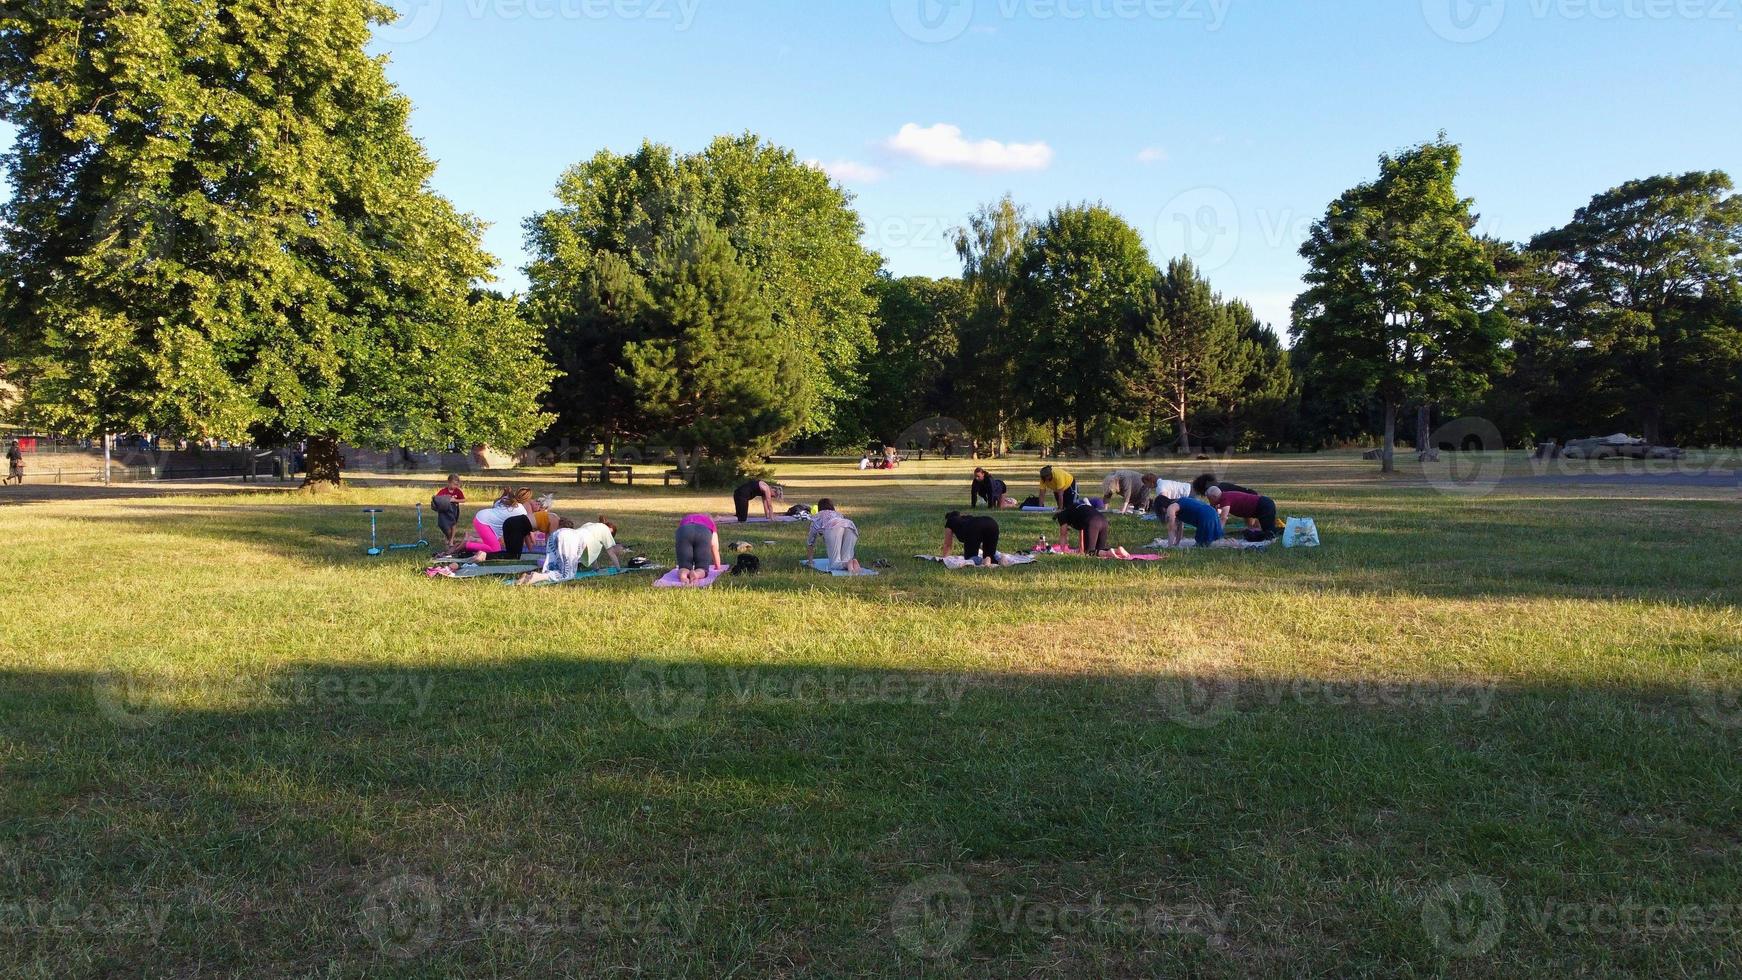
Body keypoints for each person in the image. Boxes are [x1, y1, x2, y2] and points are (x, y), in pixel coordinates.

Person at [514, 517, 624, 586]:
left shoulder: (591, 526)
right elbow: (611, 552)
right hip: (569, 539)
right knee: (567, 575)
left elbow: (591, 553)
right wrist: (619, 569)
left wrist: (596, 569)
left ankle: (527, 576)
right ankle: (537, 576)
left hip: (559, 534)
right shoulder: (604, 530)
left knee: (555, 567)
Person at [460, 487, 533, 561]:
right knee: (495, 550)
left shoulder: (506, 499)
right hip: (483, 522)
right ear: (527, 500)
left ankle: (471, 543)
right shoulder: (521, 511)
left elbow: (495, 504)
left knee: (494, 545)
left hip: (482, 517)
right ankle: (468, 545)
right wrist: (531, 550)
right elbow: (526, 533)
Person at [1206, 485, 1282, 541]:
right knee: (1266, 531)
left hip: (1264, 506)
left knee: (1269, 534)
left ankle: (1286, 532)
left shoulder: (1225, 499)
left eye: (1209, 499)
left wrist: (1216, 533)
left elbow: (1223, 518)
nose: (1209, 501)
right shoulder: (1224, 497)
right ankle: (1282, 531)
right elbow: (1219, 513)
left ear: (1214, 497)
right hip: (1263, 505)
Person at [805, 499, 862, 574]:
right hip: (850, 525)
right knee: (846, 558)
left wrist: (810, 561)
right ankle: (852, 562)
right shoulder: (838, 514)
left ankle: (848, 563)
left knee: (835, 564)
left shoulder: (817, 517)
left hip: (833, 526)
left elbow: (810, 542)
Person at [1054, 503, 1128, 559]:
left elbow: (1063, 535)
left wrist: (1063, 551)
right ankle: (1117, 550)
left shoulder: (1062, 515)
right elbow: (1082, 531)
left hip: (1092, 522)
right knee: (1099, 550)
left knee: (1089, 553)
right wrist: (1081, 549)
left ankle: (1109, 552)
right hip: (1103, 520)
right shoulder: (1075, 509)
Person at [1155, 493, 1227, 549]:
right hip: (1212, 513)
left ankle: (1230, 543)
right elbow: (1180, 528)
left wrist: (1169, 546)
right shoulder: (1177, 504)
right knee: (1211, 540)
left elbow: (1172, 529)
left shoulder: (1171, 508)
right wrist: (1177, 543)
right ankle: (1229, 542)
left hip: (1206, 517)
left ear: (1162, 508)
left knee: (1203, 545)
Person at [674, 513, 724, 586]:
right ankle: (696, 574)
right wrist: (717, 566)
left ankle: (683, 575)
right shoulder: (710, 523)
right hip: (703, 532)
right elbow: (714, 546)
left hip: (683, 531)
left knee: (684, 566)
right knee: (702, 567)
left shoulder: (687, 518)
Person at [431, 474, 466, 550]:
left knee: (453, 524)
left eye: (457, 484)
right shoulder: (443, 491)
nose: (455, 486)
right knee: (444, 525)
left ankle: (451, 540)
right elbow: (437, 500)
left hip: (454, 510)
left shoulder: (458, 491)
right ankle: (448, 537)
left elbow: (463, 500)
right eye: (454, 484)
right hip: (444, 511)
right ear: (449, 482)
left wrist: (454, 500)